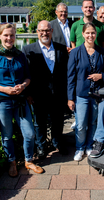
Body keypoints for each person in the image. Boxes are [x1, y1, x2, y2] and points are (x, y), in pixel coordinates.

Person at [0, 23, 43, 177]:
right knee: (7, 135)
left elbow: (28, 77)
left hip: (21, 101)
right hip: (2, 102)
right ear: (0, 36)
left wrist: (22, 86)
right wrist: (5, 89)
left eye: (12, 35)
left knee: (29, 133)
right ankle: (12, 162)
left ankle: (28, 161)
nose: (9, 38)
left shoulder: (20, 55)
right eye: (6, 35)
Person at [22, 20, 69, 158]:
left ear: (52, 31)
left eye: (47, 30)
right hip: (38, 94)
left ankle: (57, 142)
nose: (45, 33)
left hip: (58, 94)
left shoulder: (61, 48)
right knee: (40, 122)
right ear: (37, 32)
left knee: (58, 120)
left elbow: (65, 72)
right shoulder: (28, 50)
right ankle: (41, 146)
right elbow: (26, 73)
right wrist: (28, 94)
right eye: (41, 30)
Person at [67, 22, 104, 161]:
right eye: (88, 33)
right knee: (80, 124)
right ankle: (80, 148)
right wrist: (70, 98)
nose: (90, 35)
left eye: (93, 33)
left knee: (93, 122)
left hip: (97, 94)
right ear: (83, 34)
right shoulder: (75, 52)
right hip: (81, 94)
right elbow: (70, 76)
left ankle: (89, 146)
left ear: (96, 34)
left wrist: (102, 76)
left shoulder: (102, 52)